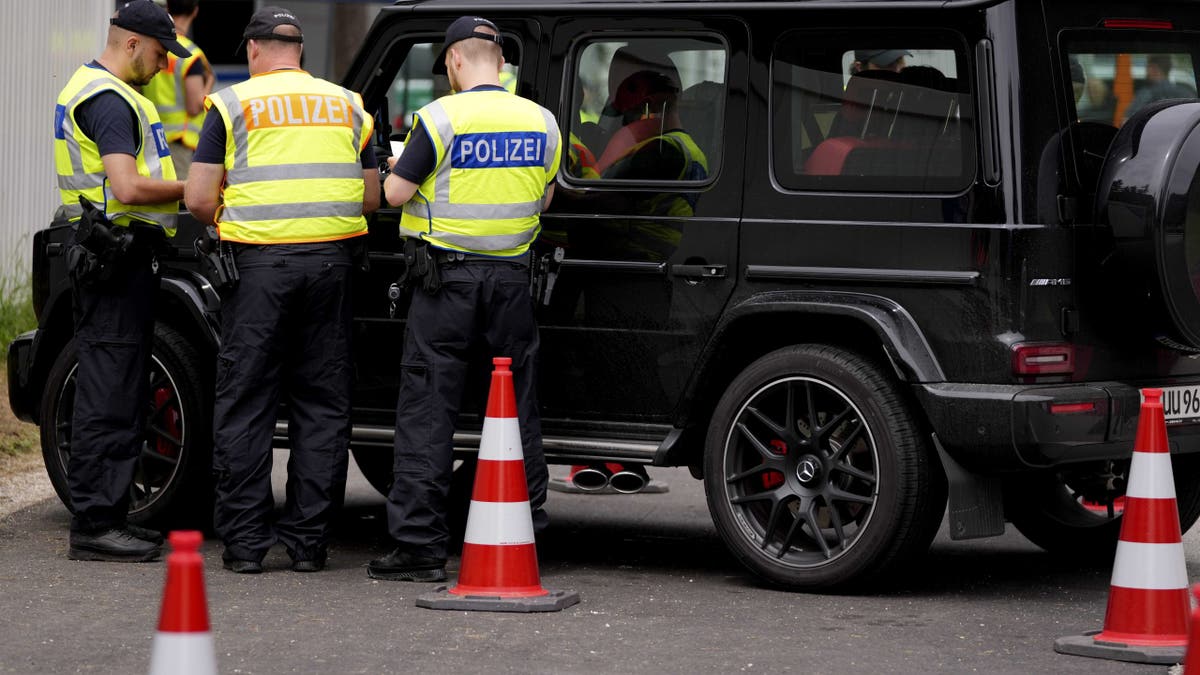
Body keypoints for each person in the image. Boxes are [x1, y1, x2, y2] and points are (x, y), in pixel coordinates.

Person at [185, 6, 380, 574]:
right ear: (299, 52)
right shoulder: (347, 105)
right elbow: (369, 197)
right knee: (322, 405)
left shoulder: (233, 103)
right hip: (331, 266)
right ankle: (308, 546)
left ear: (252, 51)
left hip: (260, 271)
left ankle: (246, 547)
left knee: (246, 402)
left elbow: (198, 200)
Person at [367, 15, 560, 582]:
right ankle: (527, 529)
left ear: (454, 61)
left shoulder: (441, 117)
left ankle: (420, 547)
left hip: (445, 282)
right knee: (515, 408)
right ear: (499, 62)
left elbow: (395, 192)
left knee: (429, 409)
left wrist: (392, 167)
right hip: (512, 284)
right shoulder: (541, 121)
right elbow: (545, 199)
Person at [53, 0, 190, 562]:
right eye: (160, 54)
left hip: (121, 257)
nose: (164, 66)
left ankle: (110, 515)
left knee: (121, 385)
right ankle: (94, 525)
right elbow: (128, 188)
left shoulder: (112, 91)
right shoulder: (108, 99)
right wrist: (197, 188)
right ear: (132, 43)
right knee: (108, 392)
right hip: (115, 258)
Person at [141, 0, 214, 178]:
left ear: (169, 8)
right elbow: (195, 106)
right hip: (180, 142)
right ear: (195, 11)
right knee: (181, 200)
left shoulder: (153, 46)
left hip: (152, 137)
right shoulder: (190, 54)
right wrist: (209, 82)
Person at [1126, 54, 1197, 120]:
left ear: (1153, 68)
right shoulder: (1186, 93)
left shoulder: (1145, 94)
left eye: (1148, 67)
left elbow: (1128, 120)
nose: (1146, 71)